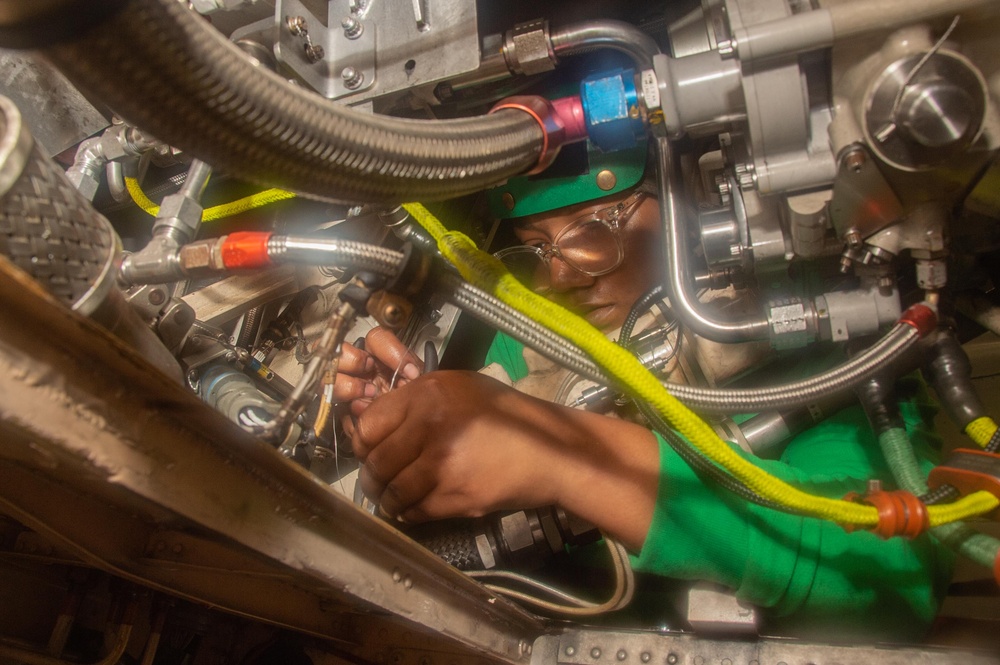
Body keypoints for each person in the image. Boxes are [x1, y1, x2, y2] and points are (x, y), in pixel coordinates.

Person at [333, 140, 952, 640]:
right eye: (536, 249)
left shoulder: (820, 345)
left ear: (692, 212)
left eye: (592, 231)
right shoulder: (529, 331)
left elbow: (896, 579)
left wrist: (567, 454)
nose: (561, 276)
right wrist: (402, 418)